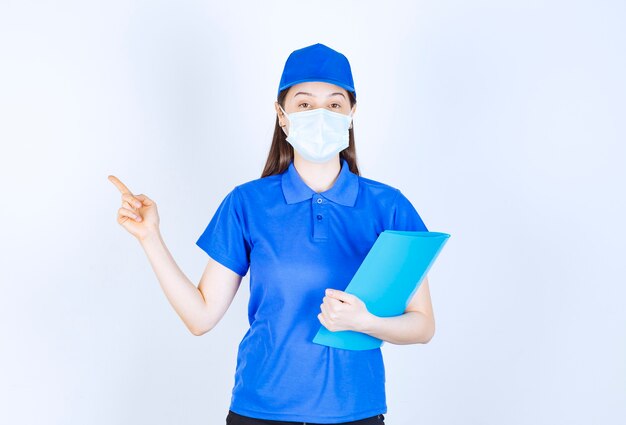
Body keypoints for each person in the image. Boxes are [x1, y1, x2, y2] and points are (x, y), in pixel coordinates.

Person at [108, 43, 435, 425]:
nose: (319, 114)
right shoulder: (248, 204)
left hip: (355, 413)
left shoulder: (388, 207)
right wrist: (151, 238)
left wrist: (367, 323)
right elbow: (200, 317)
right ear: (282, 116)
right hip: (260, 411)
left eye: (333, 104)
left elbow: (423, 325)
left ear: (351, 114)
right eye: (303, 104)